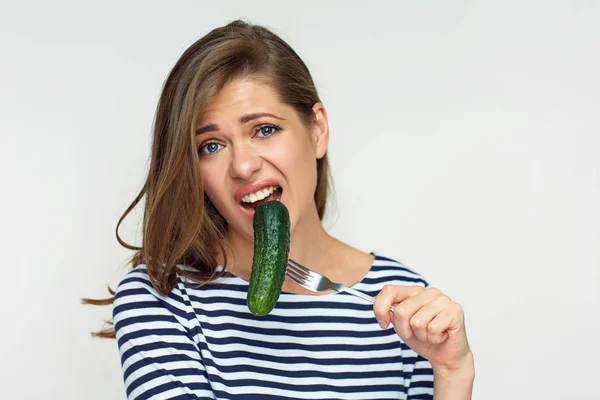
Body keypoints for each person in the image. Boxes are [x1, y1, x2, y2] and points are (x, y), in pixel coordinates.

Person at [97, 20, 475, 399]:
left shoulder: (406, 305)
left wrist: (452, 374)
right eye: (211, 146)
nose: (243, 166)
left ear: (317, 130)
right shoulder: (163, 298)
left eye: (264, 130)